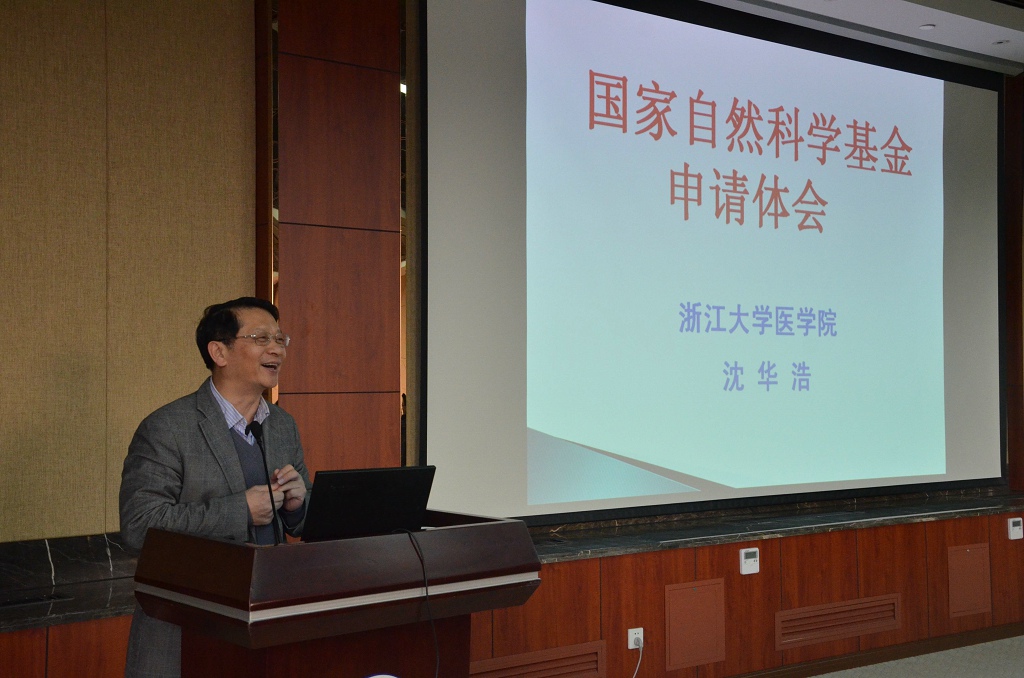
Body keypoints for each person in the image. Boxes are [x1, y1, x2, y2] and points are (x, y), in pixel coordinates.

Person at [119, 297, 311, 678]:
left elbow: (299, 524)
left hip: (265, 632)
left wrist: (298, 505)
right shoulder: (168, 428)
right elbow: (140, 525)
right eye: (261, 338)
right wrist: (241, 510)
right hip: (184, 634)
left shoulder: (282, 426)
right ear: (219, 352)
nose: (276, 349)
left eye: (280, 339)